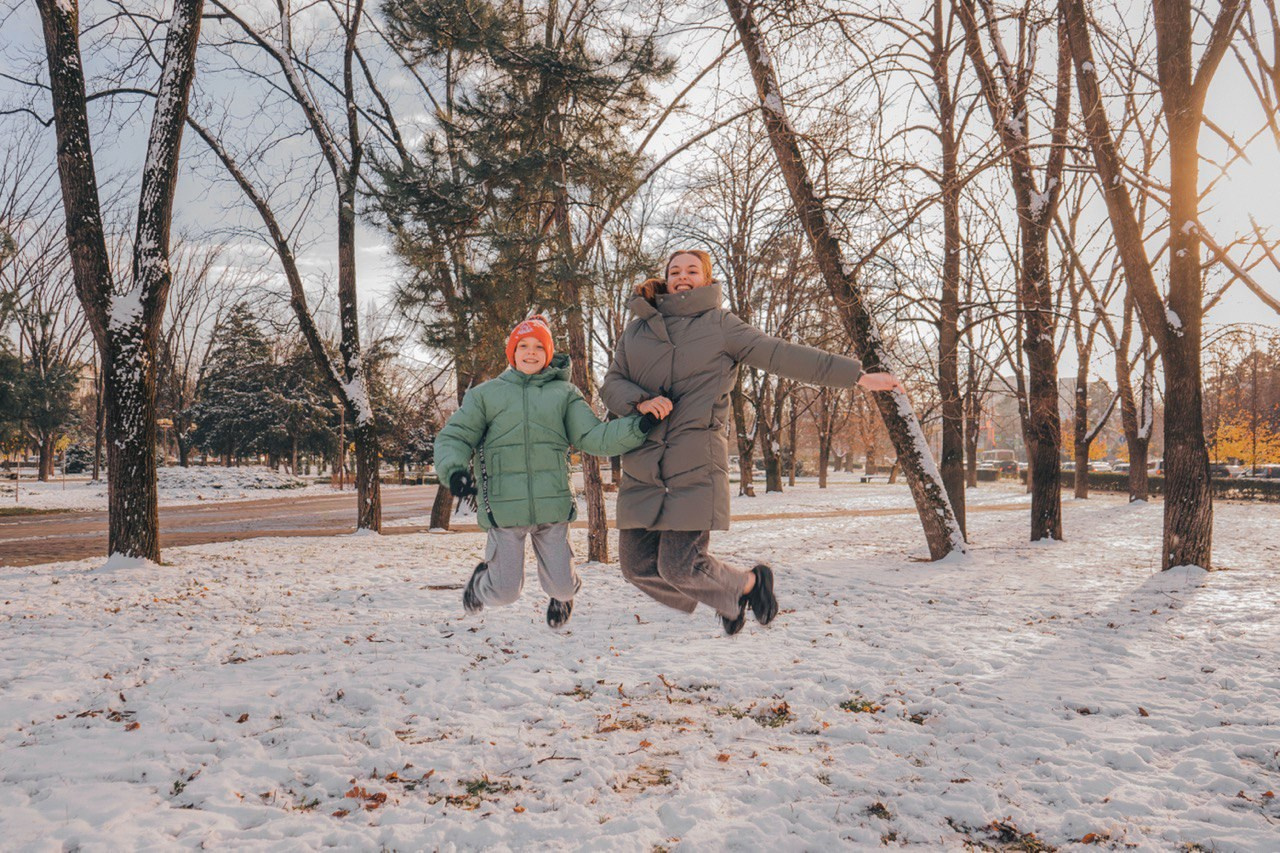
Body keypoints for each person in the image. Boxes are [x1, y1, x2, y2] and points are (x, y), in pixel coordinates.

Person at [600, 250, 905, 635]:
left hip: (693, 462)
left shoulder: (722, 326)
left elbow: (783, 355)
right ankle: (733, 593)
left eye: (692, 270)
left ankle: (746, 585)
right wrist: (640, 401)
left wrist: (857, 376)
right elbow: (611, 383)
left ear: (706, 278)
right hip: (643, 464)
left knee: (679, 567)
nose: (682, 277)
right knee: (636, 567)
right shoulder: (637, 331)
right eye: (674, 271)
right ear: (665, 278)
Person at [435, 315, 665, 629]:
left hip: (552, 507)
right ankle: (480, 583)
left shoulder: (565, 395)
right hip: (504, 509)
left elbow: (594, 436)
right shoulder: (486, 396)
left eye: (539, 347)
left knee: (564, 586)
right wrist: (454, 470)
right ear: (512, 352)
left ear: (548, 353)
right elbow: (456, 436)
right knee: (503, 593)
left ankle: (561, 597)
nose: (531, 352)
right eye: (523, 346)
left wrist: (640, 424)